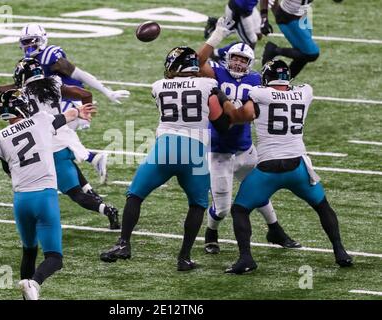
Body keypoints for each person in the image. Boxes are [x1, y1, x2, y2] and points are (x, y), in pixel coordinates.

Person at [100, 46, 233, 271]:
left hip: (166, 147)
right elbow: (222, 120)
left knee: (135, 194)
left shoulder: (158, 86)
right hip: (195, 151)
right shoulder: (209, 85)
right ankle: (184, 257)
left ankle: (123, 244)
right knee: (198, 204)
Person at [217, 59, 352, 274]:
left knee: (240, 210)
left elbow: (237, 117)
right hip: (297, 166)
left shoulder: (258, 94)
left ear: (267, 79)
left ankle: (246, 258)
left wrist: (222, 97)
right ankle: (340, 252)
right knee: (323, 206)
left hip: (268, 169)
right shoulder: (305, 92)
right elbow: (292, 89)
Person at [0, 23, 130, 183]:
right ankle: (92, 162)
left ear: (42, 39)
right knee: (51, 140)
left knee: (46, 138)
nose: (29, 45)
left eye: (33, 40)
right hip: (55, 102)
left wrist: (107, 92)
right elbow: (22, 86)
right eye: (26, 42)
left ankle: (80, 181)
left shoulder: (50, 56)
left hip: (69, 102)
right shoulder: (29, 63)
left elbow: (81, 75)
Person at [0, 89, 96, 299]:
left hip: (21, 200)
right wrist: (79, 110)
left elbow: (7, 169)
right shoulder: (40, 121)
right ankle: (35, 283)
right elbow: (65, 117)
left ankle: (27, 294)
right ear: (22, 106)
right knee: (54, 258)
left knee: (29, 252)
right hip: (45, 197)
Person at [197, 39, 300, 253]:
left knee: (259, 193)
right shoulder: (216, 74)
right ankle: (211, 232)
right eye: (234, 58)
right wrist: (215, 37)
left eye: (242, 60)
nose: (237, 63)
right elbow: (199, 63)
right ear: (227, 59)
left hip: (245, 149)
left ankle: (275, 230)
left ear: (250, 63)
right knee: (223, 208)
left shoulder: (257, 81)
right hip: (219, 152)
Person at [13, 58, 120, 229]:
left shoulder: (22, 95)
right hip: (67, 140)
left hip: (51, 147)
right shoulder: (54, 84)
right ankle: (103, 201)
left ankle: (107, 210)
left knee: (75, 194)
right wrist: (87, 114)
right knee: (80, 183)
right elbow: (84, 94)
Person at [260, 0, 320, 79]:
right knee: (311, 54)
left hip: (302, 15)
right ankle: (274, 50)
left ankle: (284, 82)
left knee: (303, 54)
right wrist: (264, 18)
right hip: (289, 17)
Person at [204, 0, 272, 49]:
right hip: (239, 11)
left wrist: (264, 18)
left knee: (258, 35)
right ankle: (218, 53)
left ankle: (217, 24)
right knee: (251, 42)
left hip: (249, 9)